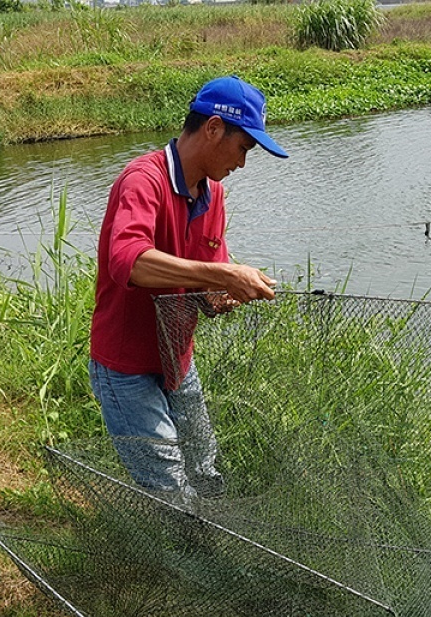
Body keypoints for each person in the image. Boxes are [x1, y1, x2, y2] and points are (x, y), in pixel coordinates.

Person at [89, 75, 288, 502]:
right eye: (244, 147)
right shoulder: (144, 180)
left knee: (206, 471)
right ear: (214, 128)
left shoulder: (212, 196)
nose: (242, 163)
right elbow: (130, 261)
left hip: (178, 359)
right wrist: (223, 275)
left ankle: (205, 542)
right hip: (127, 367)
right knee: (171, 489)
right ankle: (184, 561)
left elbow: (207, 275)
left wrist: (220, 295)